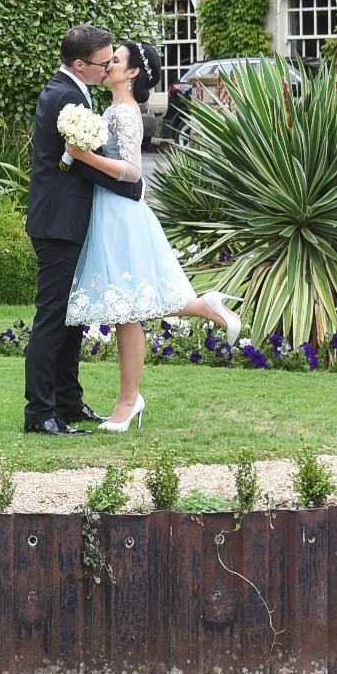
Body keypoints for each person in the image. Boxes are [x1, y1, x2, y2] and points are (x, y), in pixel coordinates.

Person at [62, 41, 243, 430]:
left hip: (120, 215)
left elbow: (133, 171)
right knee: (129, 307)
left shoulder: (126, 114)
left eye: (117, 60)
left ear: (131, 74)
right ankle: (201, 310)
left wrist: (87, 157)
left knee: (129, 307)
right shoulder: (111, 109)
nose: (108, 63)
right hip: (107, 210)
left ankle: (128, 401)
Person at [24, 26, 145, 434]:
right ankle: (40, 413)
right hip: (58, 222)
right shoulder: (66, 96)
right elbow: (79, 160)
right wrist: (130, 185)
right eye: (103, 61)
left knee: (73, 319)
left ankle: (68, 403)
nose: (109, 65)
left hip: (67, 219)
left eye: (114, 58)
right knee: (54, 318)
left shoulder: (72, 91)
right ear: (80, 64)